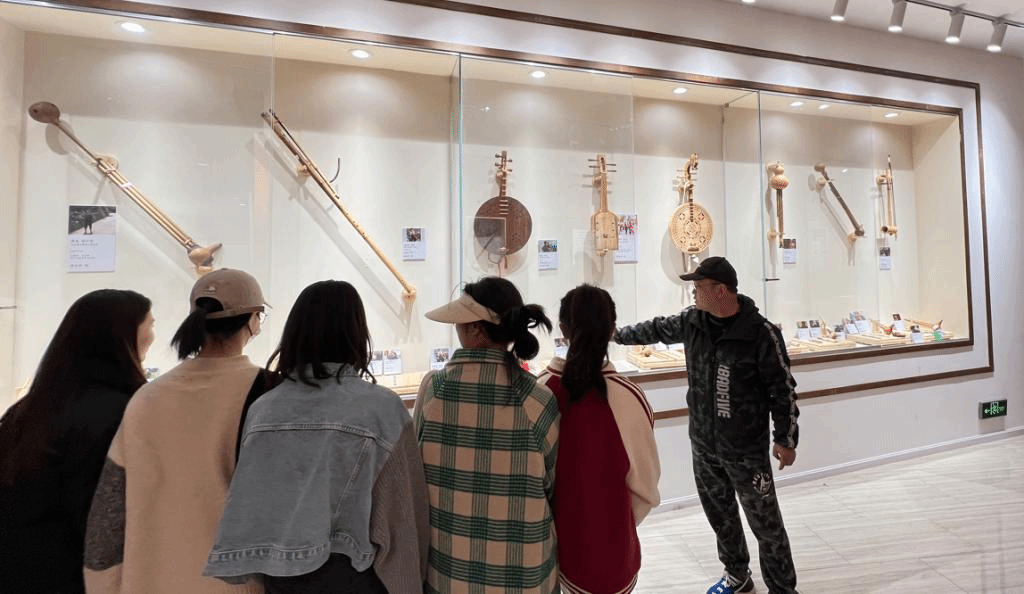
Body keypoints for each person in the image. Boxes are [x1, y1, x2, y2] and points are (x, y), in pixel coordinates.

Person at [203, 280, 430, 593]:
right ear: (357, 333)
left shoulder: (263, 410)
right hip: (353, 578)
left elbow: (251, 512)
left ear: (294, 332)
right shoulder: (382, 409)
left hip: (282, 582)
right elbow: (401, 521)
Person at [615, 256, 800, 594]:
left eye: (699, 287)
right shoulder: (693, 322)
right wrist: (613, 334)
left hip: (746, 452)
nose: (694, 293)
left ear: (720, 291)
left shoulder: (760, 334)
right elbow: (654, 329)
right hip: (703, 447)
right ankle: (737, 575)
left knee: (766, 525)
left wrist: (785, 439)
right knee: (721, 516)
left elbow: (782, 390)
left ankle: (783, 589)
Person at [83, 269, 273, 594]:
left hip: (148, 583)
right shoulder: (268, 393)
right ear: (254, 321)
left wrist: (104, 587)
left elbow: (108, 517)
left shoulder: (146, 398)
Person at [0, 289, 153, 593]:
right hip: (75, 576)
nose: (152, 336)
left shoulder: (28, 409)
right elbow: (101, 516)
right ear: (123, 336)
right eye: (149, 325)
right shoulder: (120, 411)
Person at [413, 277, 560, 594]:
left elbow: (417, 475)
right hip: (524, 576)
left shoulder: (433, 392)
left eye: (461, 320)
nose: (457, 327)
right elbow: (552, 486)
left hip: (448, 574)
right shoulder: (537, 400)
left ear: (477, 329)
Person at [537, 284, 661, 594]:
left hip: (549, 553)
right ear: (612, 330)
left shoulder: (540, 392)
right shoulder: (630, 396)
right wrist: (610, 521)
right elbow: (646, 487)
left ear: (563, 329)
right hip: (613, 555)